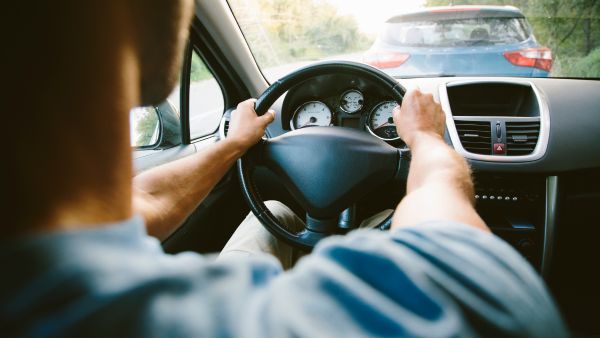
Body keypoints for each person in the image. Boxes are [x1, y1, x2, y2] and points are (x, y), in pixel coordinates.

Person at [1, 1, 566, 337]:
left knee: (274, 210)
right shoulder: (419, 308)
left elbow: (142, 203)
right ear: (151, 25)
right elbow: (453, 236)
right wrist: (423, 142)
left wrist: (233, 146)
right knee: (375, 212)